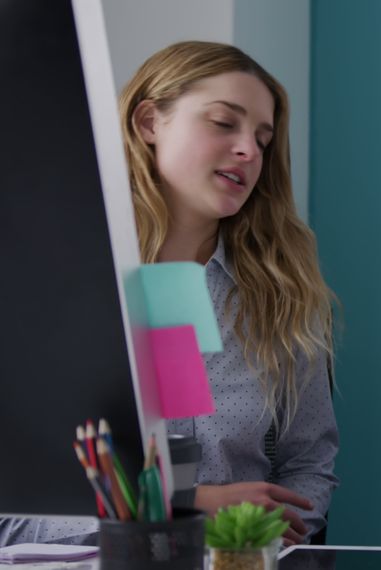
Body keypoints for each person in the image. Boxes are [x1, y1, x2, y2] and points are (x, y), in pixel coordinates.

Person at [0, 41, 338, 547]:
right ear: (148, 123)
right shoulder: (40, 286)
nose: (249, 150)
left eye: (263, 139)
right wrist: (187, 509)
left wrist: (257, 542)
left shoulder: (282, 292)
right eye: (224, 122)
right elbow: (12, 519)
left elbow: (309, 466)